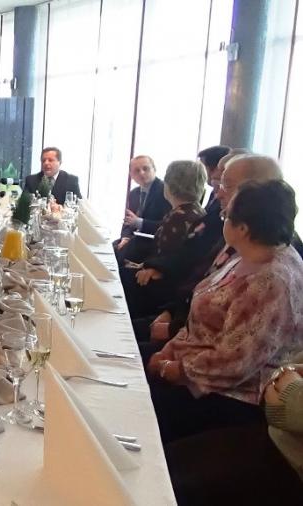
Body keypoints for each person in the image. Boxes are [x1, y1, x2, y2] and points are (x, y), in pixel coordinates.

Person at [145, 179, 303, 444]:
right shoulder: (247, 255)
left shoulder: (271, 281)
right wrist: (170, 350)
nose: (222, 220)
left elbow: (235, 362)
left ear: (242, 228)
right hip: (197, 368)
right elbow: (201, 318)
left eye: (226, 216)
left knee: (130, 407)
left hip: (231, 397)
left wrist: (172, 369)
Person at [140, 154, 291, 339]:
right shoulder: (242, 234)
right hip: (184, 323)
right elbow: (200, 279)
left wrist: (173, 336)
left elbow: (235, 345)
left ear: (256, 191)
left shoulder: (266, 255)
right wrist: (171, 311)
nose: (217, 192)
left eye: (226, 185)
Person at [164, 350, 303, 505]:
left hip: (290, 464)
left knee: (166, 480)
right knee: (166, 463)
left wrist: (289, 394)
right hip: (277, 436)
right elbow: (284, 373)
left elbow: (242, 363)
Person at [121, 160, 206, 264]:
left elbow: (163, 260)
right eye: (136, 170)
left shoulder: (177, 217)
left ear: (171, 184)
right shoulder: (197, 211)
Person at [116, 155, 170, 251]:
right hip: (134, 241)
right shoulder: (133, 193)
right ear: (131, 175)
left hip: (154, 244)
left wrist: (139, 223)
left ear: (154, 169)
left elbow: (167, 226)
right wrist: (125, 238)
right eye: (137, 171)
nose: (141, 173)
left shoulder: (165, 191)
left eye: (145, 169)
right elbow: (128, 221)